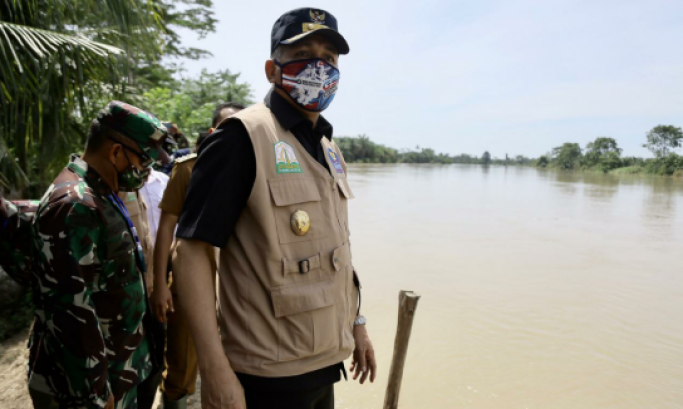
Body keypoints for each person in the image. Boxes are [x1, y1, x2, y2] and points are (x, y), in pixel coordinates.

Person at [174, 8, 376, 409]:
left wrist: (357, 323)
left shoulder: (328, 148)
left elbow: (337, 247)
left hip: (324, 359)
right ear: (272, 68)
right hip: (268, 373)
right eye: (304, 53)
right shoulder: (241, 138)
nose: (318, 67)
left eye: (329, 59)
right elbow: (190, 252)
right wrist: (213, 370)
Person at [24, 101, 168, 409]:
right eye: (142, 160)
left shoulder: (100, 191)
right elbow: (70, 309)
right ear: (115, 152)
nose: (145, 171)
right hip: (91, 386)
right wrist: (95, 393)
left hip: (120, 368)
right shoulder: (75, 204)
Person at [151, 102, 244, 409]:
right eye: (225, 126)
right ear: (212, 131)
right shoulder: (188, 168)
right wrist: (161, 284)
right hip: (192, 285)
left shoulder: (254, 169)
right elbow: (166, 229)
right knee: (181, 367)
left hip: (238, 288)